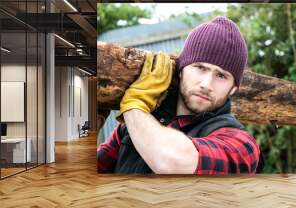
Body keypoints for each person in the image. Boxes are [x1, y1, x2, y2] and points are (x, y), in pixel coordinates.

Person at [97, 16, 261, 174]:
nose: (206, 84)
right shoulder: (129, 128)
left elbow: (171, 161)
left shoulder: (241, 144)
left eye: (221, 76)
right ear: (181, 70)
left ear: (233, 88)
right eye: (200, 67)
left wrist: (134, 105)